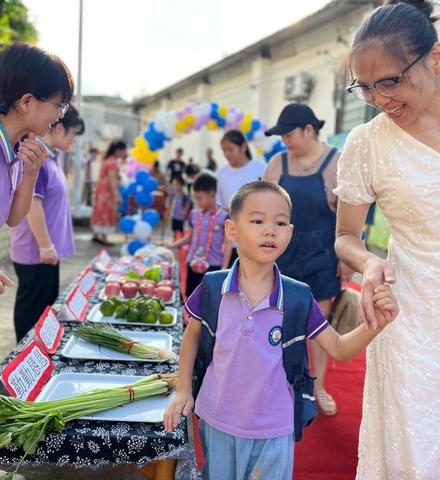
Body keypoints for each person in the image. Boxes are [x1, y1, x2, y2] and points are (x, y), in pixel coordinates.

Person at [164, 181, 398, 480]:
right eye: (257, 220)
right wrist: (183, 389)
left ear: (290, 232)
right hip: (216, 419)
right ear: (232, 230)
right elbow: (192, 335)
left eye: (280, 222)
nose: (270, 230)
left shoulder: (298, 297)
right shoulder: (212, 287)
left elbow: (339, 348)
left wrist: (374, 322)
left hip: (274, 428)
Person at [334, 1, 440, 477]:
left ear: (435, 58)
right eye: (365, 87)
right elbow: (346, 238)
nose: (379, 98)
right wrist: (368, 263)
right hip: (407, 315)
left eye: (390, 81)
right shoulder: (366, 142)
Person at [0, 43, 73, 384]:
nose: (60, 115)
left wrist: (33, 174)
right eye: (59, 104)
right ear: (27, 102)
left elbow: (12, 217)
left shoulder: (14, 144)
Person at [263, 102, 354, 416]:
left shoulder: (336, 163)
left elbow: (351, 217)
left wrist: (348, 259)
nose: (285, 141)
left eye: (289, 134)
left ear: (309, 130)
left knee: (318, 328)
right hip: (281, 260)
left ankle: (318, 387)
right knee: (277, 324)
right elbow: (261, 208)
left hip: (320, 258)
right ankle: (278, 384)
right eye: (282, 136)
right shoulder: (277, 164)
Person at [10, 105, 84, 342]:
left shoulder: (51, 157)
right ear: (59, 128)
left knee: (44, 310)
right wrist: (44, 245)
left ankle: (36, 353)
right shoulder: (38, 155)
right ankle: (24, 354)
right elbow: (32, 204)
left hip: (47, 251)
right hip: (37, 252)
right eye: (73, 134)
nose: (73, 140)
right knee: (32, 310)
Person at [165, 173, 231, 297]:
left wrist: (224, 269)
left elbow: (228, 245)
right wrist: (172, 246)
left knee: (209, 300)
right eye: (196, 198)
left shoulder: (224, 217)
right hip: (193, 263)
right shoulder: (194, 214)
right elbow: (190, 238)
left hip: (213, 265)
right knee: (190, 297)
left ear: (213, 195)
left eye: (200, 198)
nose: (197, 202)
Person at [217, 129, 266, 265]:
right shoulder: (222, 172)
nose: (227, 154)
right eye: (224, 151)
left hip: (257, 236)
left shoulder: (260, 168)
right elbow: (219, 204)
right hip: (232, 239)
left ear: (243, 147)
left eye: (230, 149)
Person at [90, 140, 126, 246]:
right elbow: (112, 179)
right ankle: (104, 236)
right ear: (118, 150)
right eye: (123, 151)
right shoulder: (112, 162)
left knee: (99, 211)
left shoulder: (107, 160)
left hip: (101, 189)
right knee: (106, 212)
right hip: (107, 191)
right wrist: (115, 193)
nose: (124, 153)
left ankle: (97, 234)